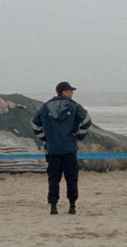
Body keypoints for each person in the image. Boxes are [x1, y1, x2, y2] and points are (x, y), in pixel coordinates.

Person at [31, 82, 91, 215]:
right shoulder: (74, 106)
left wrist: (45, 138)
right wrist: (79, 136)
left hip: (53, 149)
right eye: (71, 91)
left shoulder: (45, 107)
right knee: (71, 177)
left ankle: (53, 206)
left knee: (53, 178)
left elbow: (34, 123)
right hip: (69, 148)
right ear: (64, 92)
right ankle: (72, 206)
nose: (72, 93)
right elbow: (86, 120)